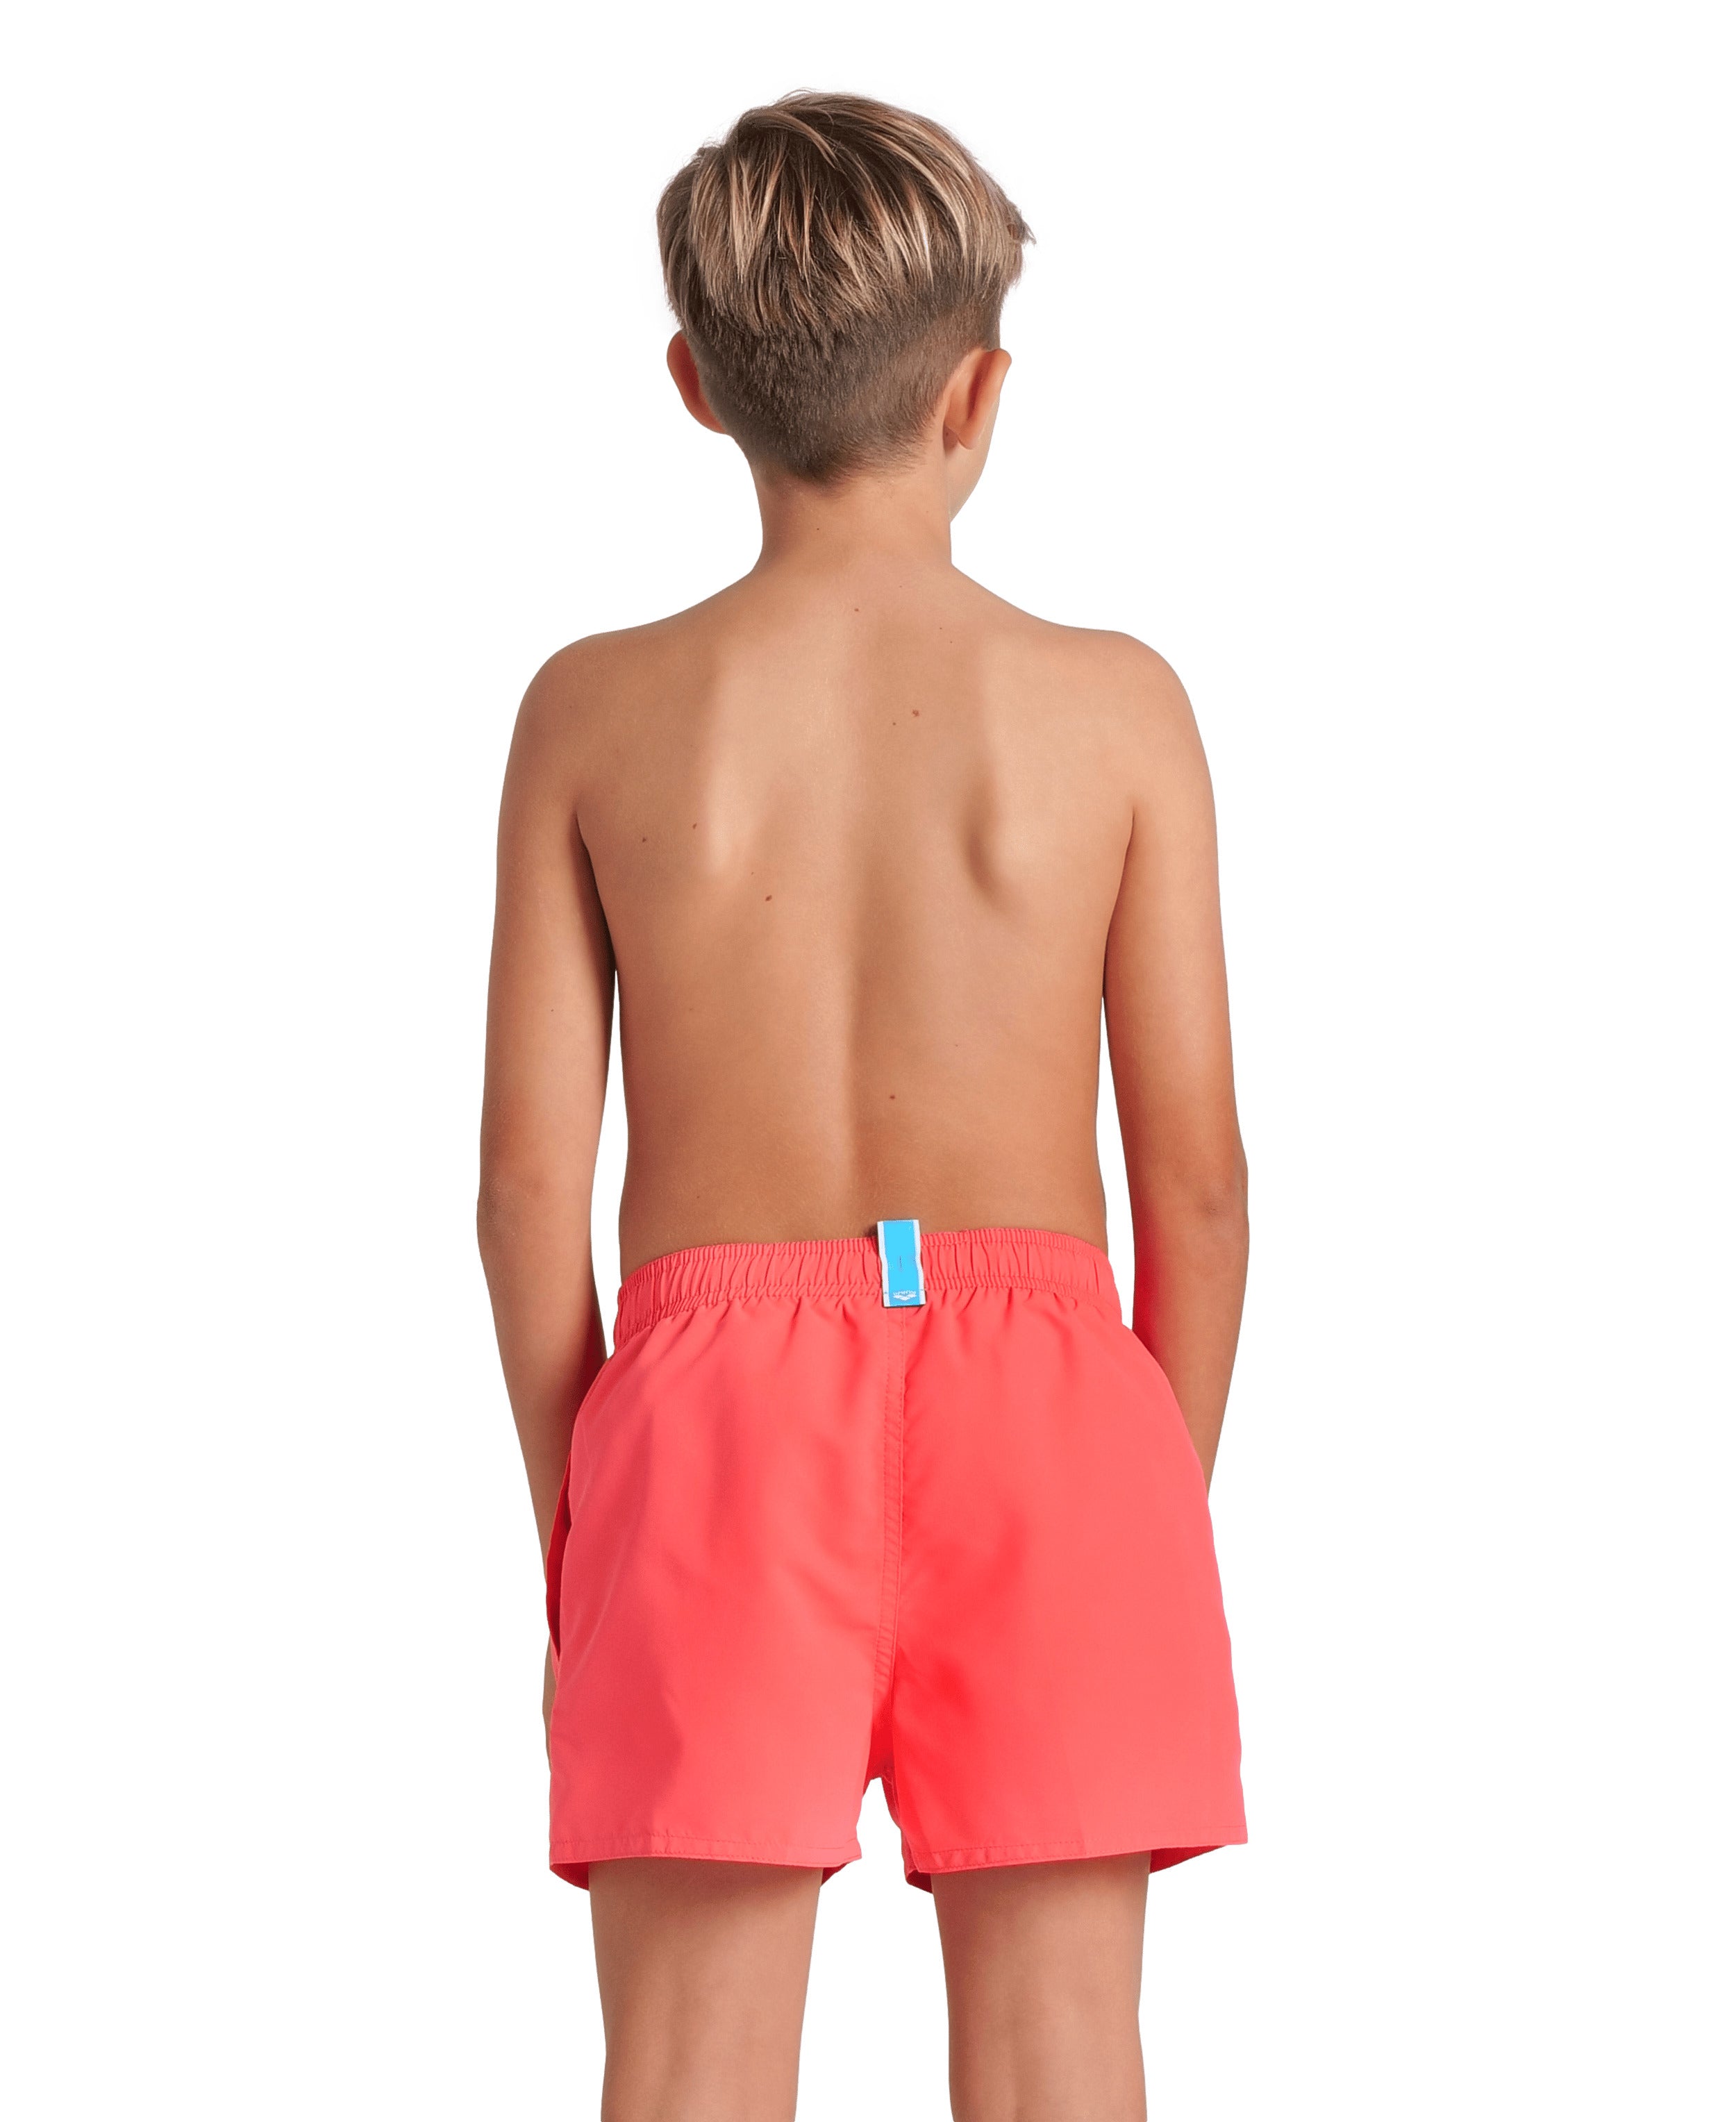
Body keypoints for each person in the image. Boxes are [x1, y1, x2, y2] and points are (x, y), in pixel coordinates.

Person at [478, 90, 1248, 2122]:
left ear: (694, 387)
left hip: (710, 1406)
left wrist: (586, 1524)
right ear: (979, 391)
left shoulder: (593, 709)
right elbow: (1198, 1186)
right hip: (1054, 1398)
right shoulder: (1115, 707)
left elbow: (527, 1188)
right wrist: (1148, 1492)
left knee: (688, 2067)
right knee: (1067, 2063)